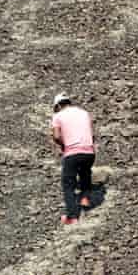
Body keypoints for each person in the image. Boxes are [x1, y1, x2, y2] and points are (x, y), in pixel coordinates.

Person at [49, 92, 95, 225]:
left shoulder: (57, 116)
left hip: (72, 153)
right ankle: (85, 198)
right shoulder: (84, 113)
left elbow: (57, 136)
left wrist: (63, 145)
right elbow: (92, 133)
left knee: (68, 184)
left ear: (58, 105)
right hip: (89, 151)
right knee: (85, 172)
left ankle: (72, 217)